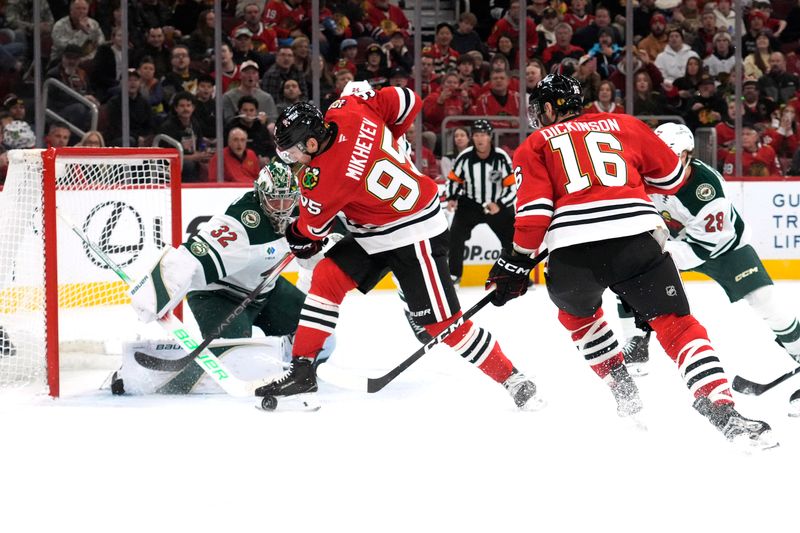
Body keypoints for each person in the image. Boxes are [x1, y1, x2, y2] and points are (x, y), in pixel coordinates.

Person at [485, 73, 776, 448]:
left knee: (578, 317)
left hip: (572, 255)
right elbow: (673, 178)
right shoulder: (625, 124)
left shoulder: (534, 145)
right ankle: (723, 410)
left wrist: (515, 262)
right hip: (636, 240)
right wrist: (627, 180)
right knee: (678, 326)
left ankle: (623, 389)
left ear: (550, 109)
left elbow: (534, 215)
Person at [260, 86, 543, 410]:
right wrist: (390, 143)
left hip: (414, 233)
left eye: (293, 152)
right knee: (327, 277)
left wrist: (296, 236)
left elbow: (310, 233)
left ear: (312, 143)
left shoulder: (323, 180)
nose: (293, 159)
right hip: (377, 230)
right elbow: (409, 100)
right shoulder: (349, 108)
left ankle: (512, 378)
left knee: (444, 327)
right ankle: (302, 371)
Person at [124, 160, 333, 394]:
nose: (282, 208)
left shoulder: (301, 209)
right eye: (275, 200)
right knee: (235, 355)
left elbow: (316, 249)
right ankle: (156, 380)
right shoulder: (241, 222)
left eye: (288, 200)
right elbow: (192, 256)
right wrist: (157, 292)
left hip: (266, 289)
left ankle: (293, 367)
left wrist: (321, 249)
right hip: (219, 295)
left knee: (319, 327)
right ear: (260, 195)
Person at [616, 123, 800, 387]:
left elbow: (702, 249)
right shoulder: (643, 174)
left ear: (685, 156)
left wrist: (659, 251)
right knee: (628, 270)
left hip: (724, 249)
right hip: (675, 241)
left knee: (764, 300)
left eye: (670, 157)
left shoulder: (706, 190)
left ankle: (798, 349)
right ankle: (636, 341)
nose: (660, 164)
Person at [446, 120, 516, 285]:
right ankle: (454, 275)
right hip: (470, 204)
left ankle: (515, 275)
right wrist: (452, 197)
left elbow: (512, 186)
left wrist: (499, 204)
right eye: (476, 135)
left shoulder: (501, 157)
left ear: (490, 137)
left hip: (497, 205)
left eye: (483, 135)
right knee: (455, 236)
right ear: (472, 137)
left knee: (512, 241)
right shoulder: (465, 157)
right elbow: (453, 179)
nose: (479, 139)